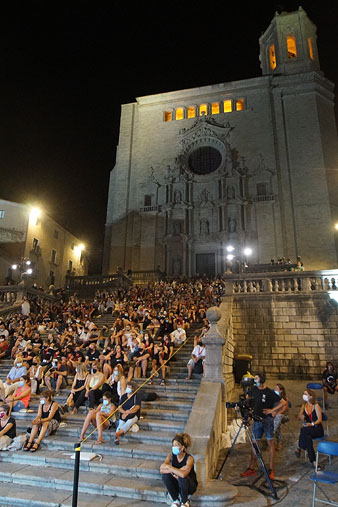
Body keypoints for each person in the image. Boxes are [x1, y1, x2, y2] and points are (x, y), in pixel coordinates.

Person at [240, 373, 285, 480]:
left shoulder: (269, 392)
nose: (255, 380)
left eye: (256, 378)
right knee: (255, 443)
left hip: (267, 420)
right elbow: (247, 399)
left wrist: (272, 411)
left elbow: (283, 402)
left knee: (270, 443)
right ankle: (251, 468)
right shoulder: (254, 390)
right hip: (257, 420)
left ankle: (270, 469)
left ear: (262, 379)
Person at [160, 432, 198, 507]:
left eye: (176, 445)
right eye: (173, 445)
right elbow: (162, 469)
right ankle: (175, 500)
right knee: (165, 476)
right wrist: (178, 470)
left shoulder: (189, 458)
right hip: (177, 482)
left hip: (189, 485)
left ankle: (184, 502)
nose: (174, 447)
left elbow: (183, 474)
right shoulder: (171, 455)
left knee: (181, 477)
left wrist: (170, 467)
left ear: (182, 447)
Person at [295, 389, 324, 469]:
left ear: (311, 396)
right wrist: (302, 417)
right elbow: (300, 417)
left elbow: (319, 420)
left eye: (306, 394)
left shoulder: (316, 405)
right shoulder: (304, 405)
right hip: (308, 429)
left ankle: (300, 447)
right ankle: (314, 462)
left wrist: (311, 424)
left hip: (317, 428)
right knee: (307, 436)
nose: (304, 395)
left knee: (303, 430)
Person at [271, 383, 289, 451]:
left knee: (278, 417)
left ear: (281, 391)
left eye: (277, 389)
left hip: (283, 416)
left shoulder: (285, 399)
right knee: (277, 425)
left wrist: (276, 413)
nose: (275, 389)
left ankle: (271, 433)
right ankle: (278, 442)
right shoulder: (273, 397)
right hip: (274, 416)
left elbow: (283, 410)